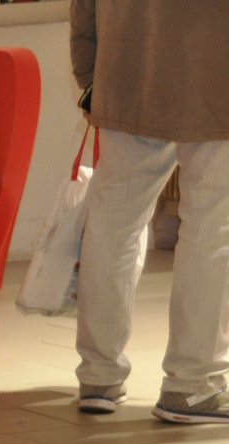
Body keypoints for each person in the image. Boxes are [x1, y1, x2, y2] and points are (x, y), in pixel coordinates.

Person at [70, 1, 229, 422]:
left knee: (112, 225)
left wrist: (89, 78)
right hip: (216, 77)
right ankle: (194, 384)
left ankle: (98, 375)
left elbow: (83, 7)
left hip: (126, 75)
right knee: (213, 230)